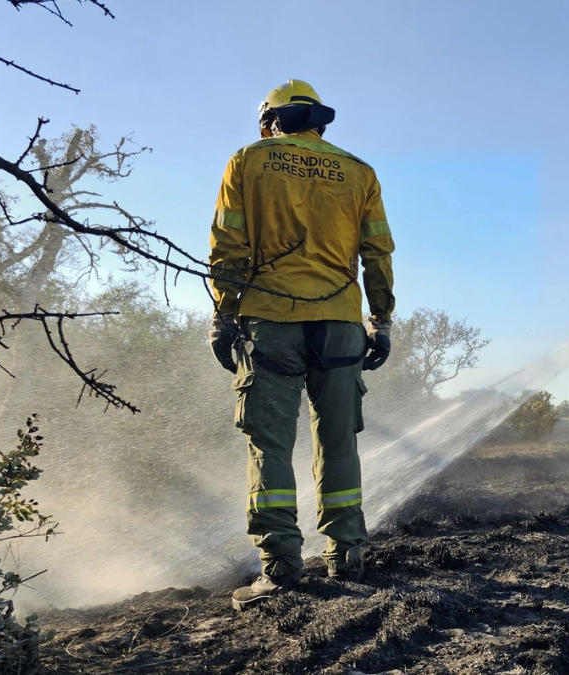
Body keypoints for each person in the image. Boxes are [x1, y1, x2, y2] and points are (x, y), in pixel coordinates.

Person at [207, 79, 395, 610]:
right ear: (318, 120)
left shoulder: (248, 160)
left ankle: (282, 567)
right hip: (340, 325)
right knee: (339, 441)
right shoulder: (359, 172)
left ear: (270, 118)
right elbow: (378, 253)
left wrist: (224, 314)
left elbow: (229, 245)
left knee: (270, 444)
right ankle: (347, 557)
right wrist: (380, 320)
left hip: (270, 322)